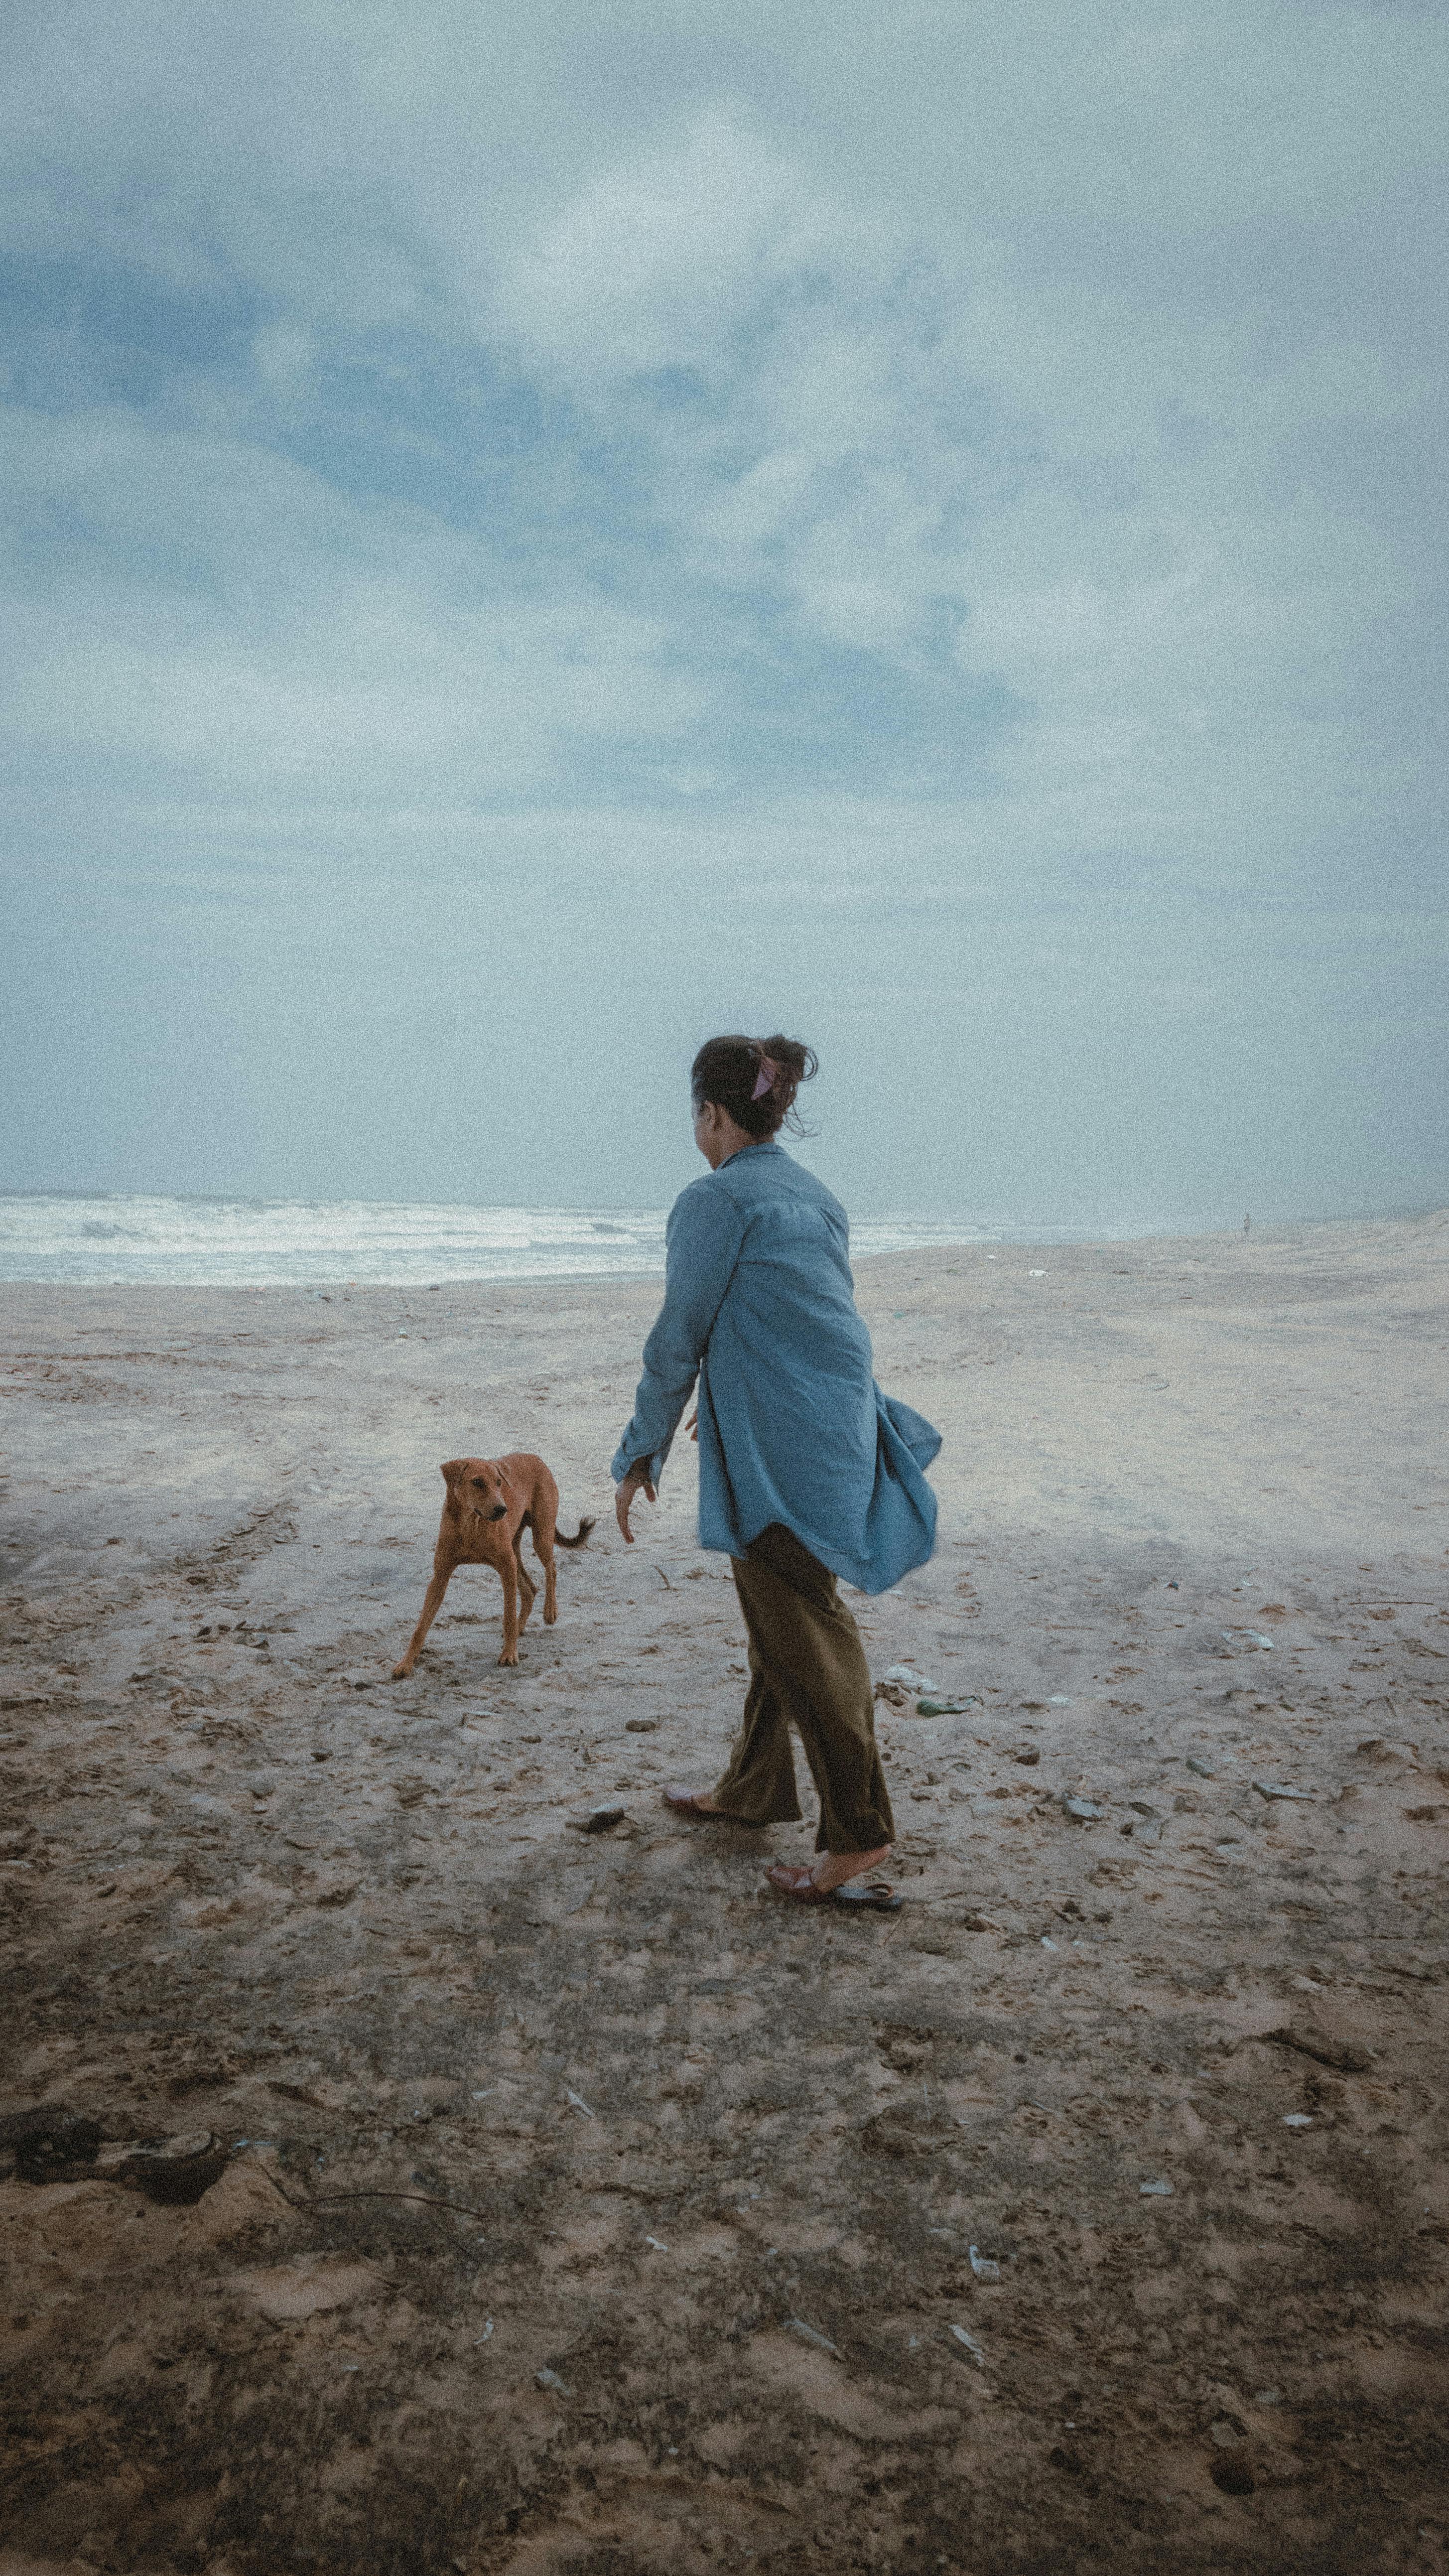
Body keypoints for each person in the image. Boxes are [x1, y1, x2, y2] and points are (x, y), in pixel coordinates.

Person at [611, 1034, 941, 1910]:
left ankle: (858, 1835)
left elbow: (677, 1335)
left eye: (697, 1113)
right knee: (781, 1620)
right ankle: (753, 1790)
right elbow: (800, 1320)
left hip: (779, 1451)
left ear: (711, 1114)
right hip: (836, 1428)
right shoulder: (816, 1197)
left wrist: (640, 1449)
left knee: (804, 1631)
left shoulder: (715, 1202)